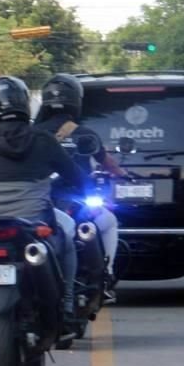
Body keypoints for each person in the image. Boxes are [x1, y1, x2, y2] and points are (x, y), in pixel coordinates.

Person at [0, 75, 86, 332]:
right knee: (68, 243)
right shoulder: (44, 140)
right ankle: (68, 302)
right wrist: (82, 185)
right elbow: (75, 176)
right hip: (34, 221)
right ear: (24, 104)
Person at [33, 73, 125, 286]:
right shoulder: (85, 134)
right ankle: (107, 273)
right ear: (76, 102)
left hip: (38, 202)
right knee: (109, 222)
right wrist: (124, 175)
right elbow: (108, 163)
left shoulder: (31, 133)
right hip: (76, 201)